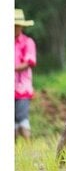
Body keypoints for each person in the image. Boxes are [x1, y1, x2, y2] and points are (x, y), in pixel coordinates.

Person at [15, 8, 37, 141]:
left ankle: (28, 149)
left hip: (22, 88)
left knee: (22, 119)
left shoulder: (27, 42)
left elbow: (29, 62)